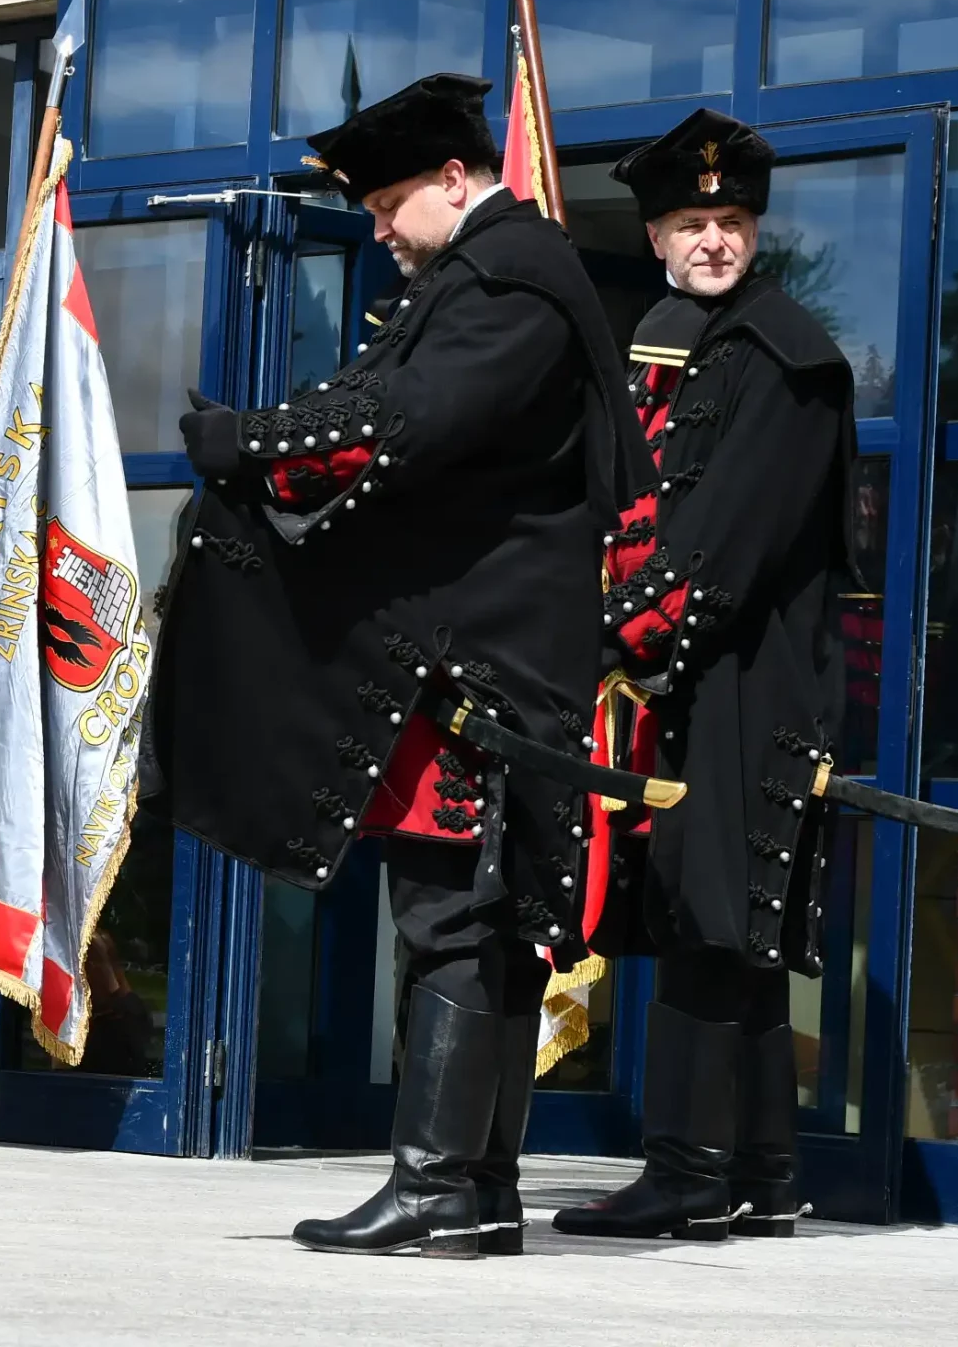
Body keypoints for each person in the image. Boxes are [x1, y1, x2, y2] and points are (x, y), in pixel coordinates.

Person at [150, 74, 649, 1256]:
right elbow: (382, 396)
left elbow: (416, 414)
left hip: (477, 658)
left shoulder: (507, 277)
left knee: (453, 910)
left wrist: (249, 441)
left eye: (387, 204)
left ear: (455, 180)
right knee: (473, 911)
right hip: (481, 652)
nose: (377, 229)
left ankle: (441, 1184)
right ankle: (474, 1189)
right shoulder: (488, 277)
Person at [554, 110, 852, 1241]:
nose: (712, 239)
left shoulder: (788, 355)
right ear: (658, 232)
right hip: (686, 672)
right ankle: (762, 1176)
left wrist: (613, 642)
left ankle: (688, 1170)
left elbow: (724, 549)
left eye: (730, 221)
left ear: (754, 229)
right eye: (691, 222)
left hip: (739, 677)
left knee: (711, 915)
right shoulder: (667, 338)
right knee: (728, 921)